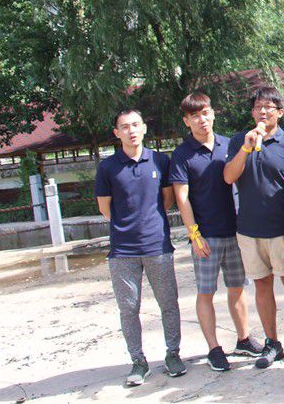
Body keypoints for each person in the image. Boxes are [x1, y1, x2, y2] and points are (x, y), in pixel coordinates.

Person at [170, 92, 261, 373]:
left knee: (237, 288)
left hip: (235, 231)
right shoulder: (182, 154)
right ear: (186, 121)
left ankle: (243, 339)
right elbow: (182, 198)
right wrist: (194, 235)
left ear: (213, 113)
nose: (202, 120)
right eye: (195, 116)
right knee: (206, 292)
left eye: (205, 113)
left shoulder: (229, 144)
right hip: (205, 236)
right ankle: (214, 348)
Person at [96, 108, 185, 386]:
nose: (131, 131)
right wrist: (127, 226)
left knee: (168, 303)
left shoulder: (160, 160)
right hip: (123, 251)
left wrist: (149, 224)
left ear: (144, 128)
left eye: (136, 125)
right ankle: (138, 361)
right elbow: (105, 208)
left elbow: (167, 200)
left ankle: (173, 354)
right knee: (128, 308)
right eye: (125, 127)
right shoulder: (108, 167)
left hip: (157, 245)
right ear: (117, 133)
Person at [224, 86, 284, 368]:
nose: (262, 111)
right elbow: (229, 177)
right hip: (249, 229)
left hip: (283, 229)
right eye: (258, 107)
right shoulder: (239, 141)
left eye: (268, 107)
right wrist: (246, 148)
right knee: (262, 285)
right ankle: (272, 343)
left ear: (280, 113)